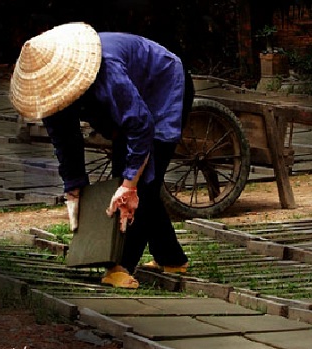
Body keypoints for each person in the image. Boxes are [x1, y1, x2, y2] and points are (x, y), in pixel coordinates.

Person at [10, 22, 194, 288]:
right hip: (130, 101)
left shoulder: (107, 70)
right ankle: (172, 258)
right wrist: (73, 187)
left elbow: (141, 126)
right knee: (135, 179)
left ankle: (121, 265)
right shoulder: (49, 91)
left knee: (141, 182)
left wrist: (130, 185)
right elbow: (65, 139)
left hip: (163, 85)